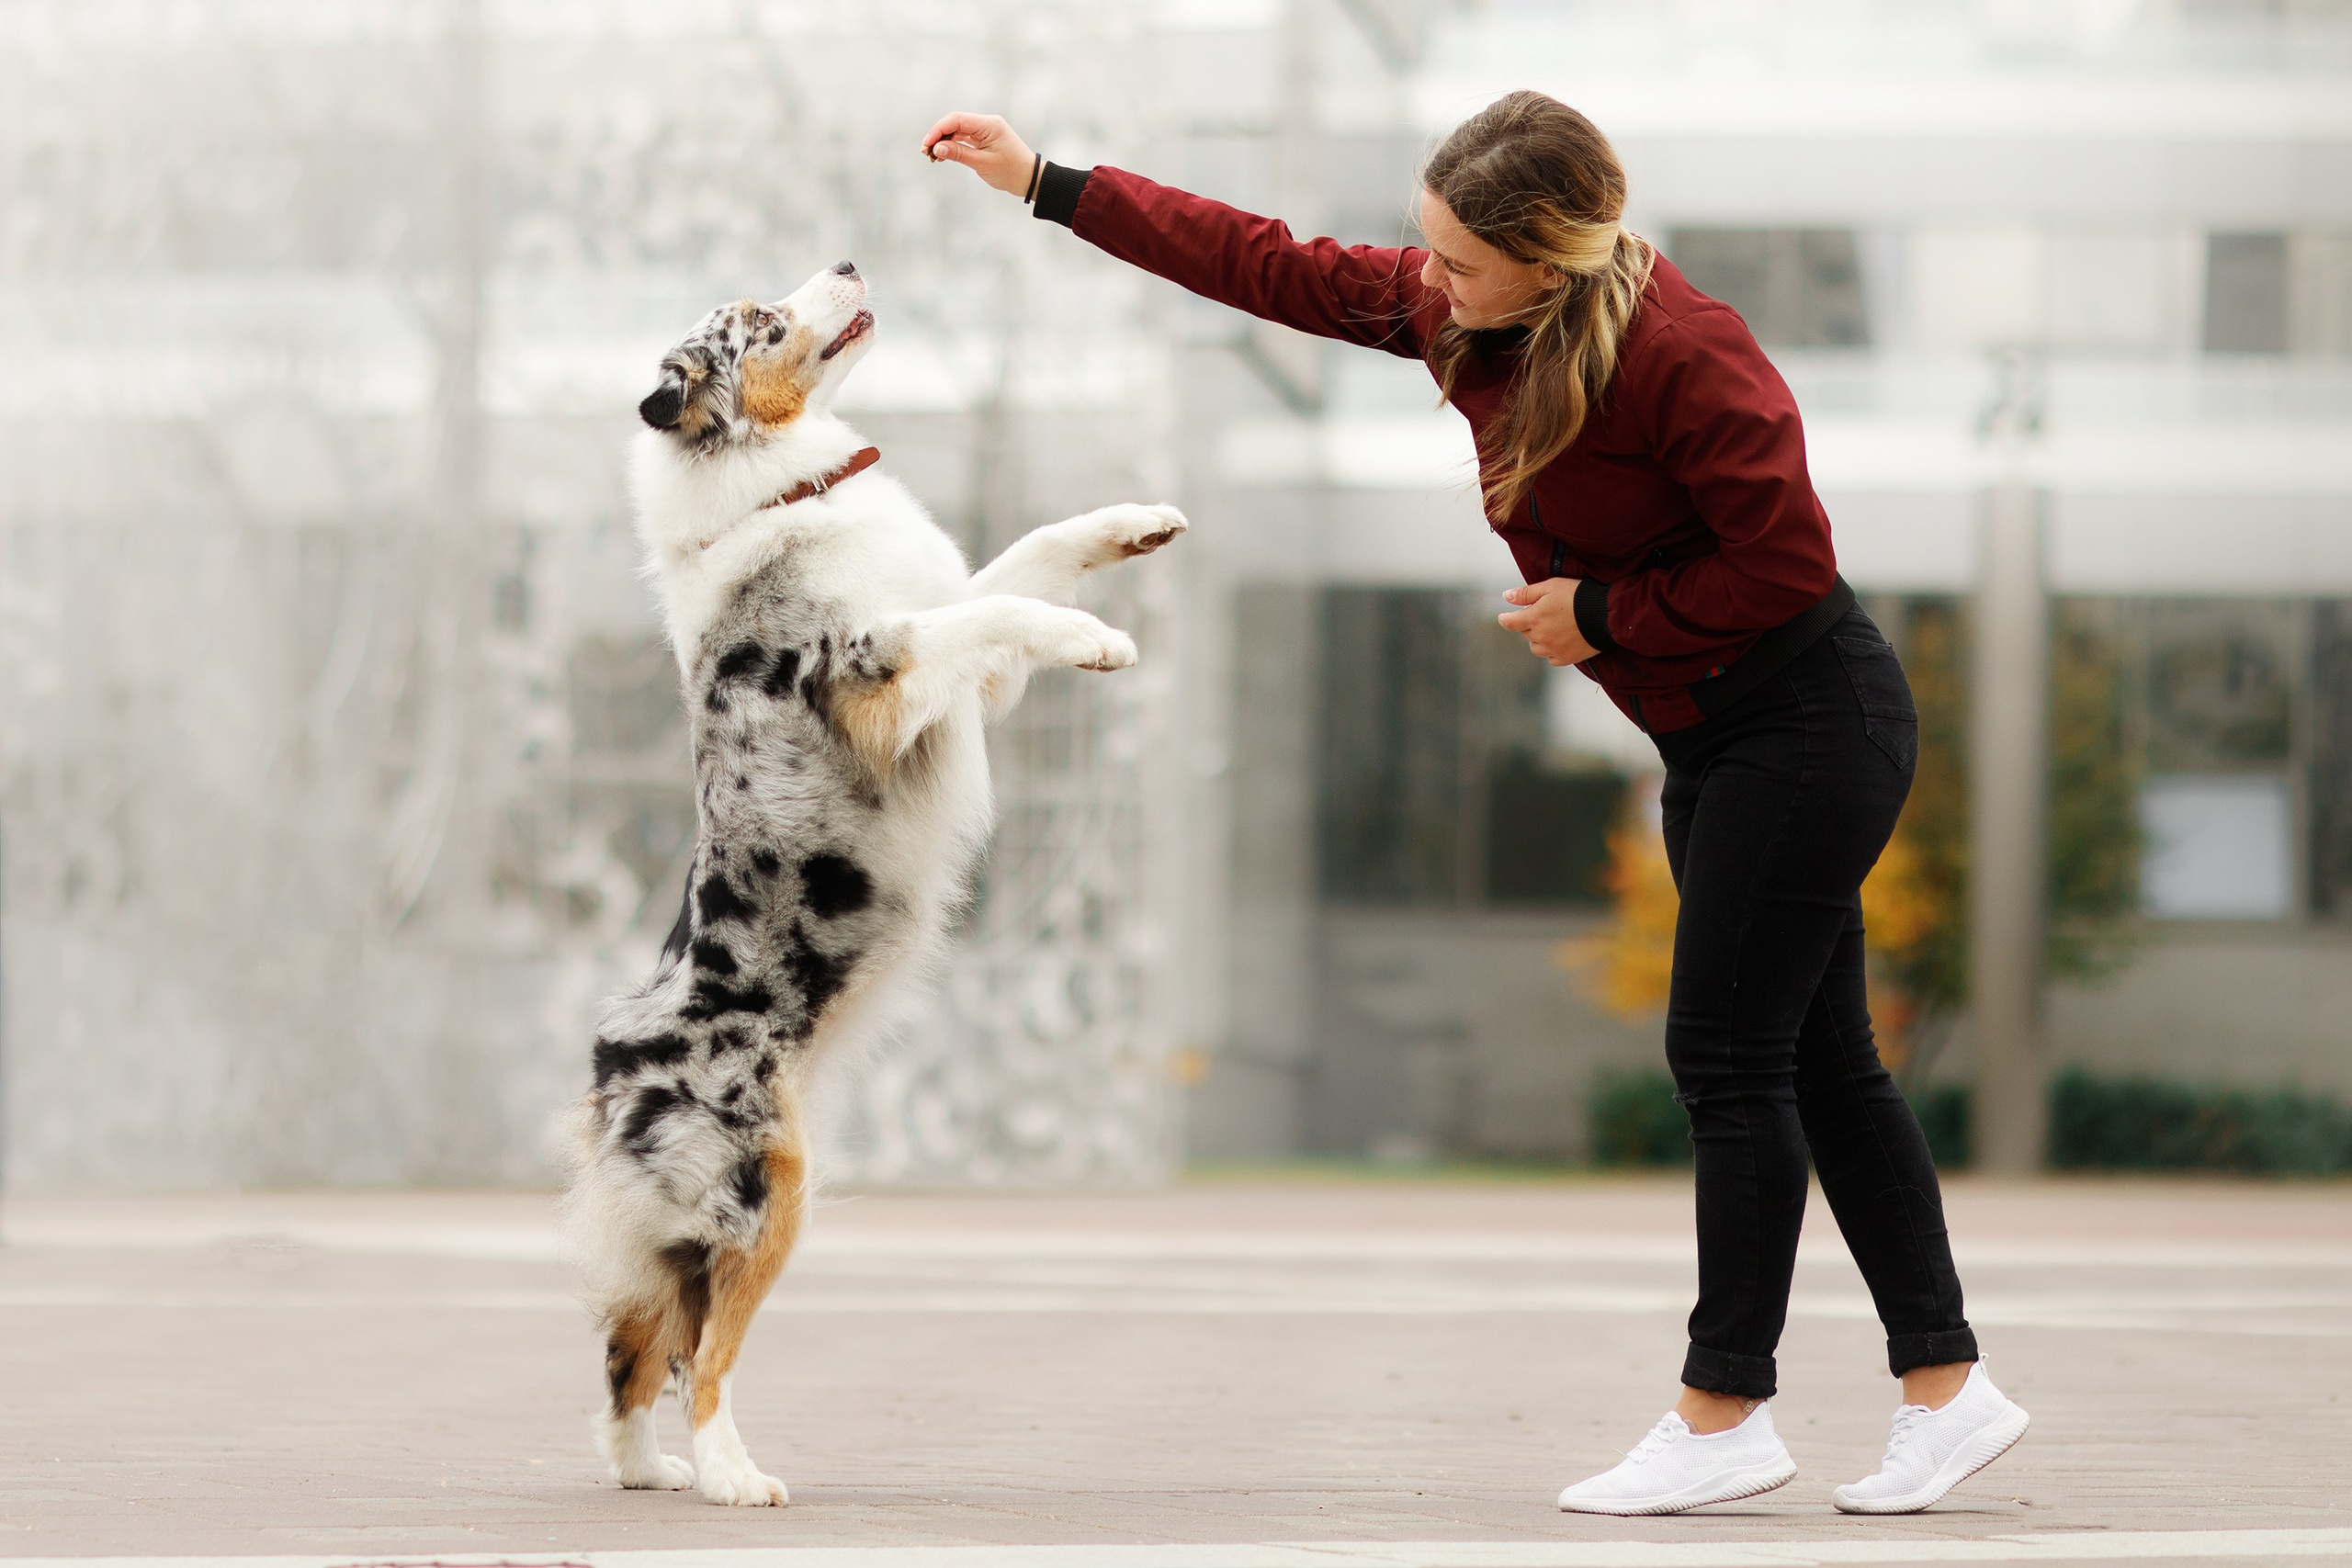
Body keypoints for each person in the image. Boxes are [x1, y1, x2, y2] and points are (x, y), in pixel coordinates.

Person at [922, 92, 2030, 1517]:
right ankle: (1946, 1392)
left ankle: (1723, 1414)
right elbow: (1268, 262)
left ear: (1548, 257)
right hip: (1722, 740)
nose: (1426, 277)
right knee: (1819, 1063)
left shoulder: (1689, 355)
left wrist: (1605, 613)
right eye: (1429, 250)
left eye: (1454, 259)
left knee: (1732, 1058)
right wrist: (1049, 183)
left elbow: (1787, 566)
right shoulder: (1480, 319)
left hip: (1810, 727)